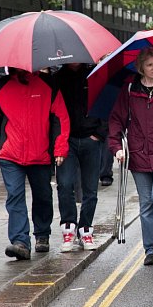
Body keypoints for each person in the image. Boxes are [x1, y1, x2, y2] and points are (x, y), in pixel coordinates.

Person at [0, 67, 70, 260]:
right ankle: (20, 242)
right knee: (15, 196)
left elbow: (60, 118)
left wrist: (60, 148)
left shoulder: (48, 84)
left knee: (43, 195)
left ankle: (42, 234)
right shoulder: (3, 84)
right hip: (10, 154)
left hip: (40, 153)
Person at [108, 47, 153, 268]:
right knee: (146, 202)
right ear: (141, 67)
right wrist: (116, 148)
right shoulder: (130, 88)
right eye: (150, 65)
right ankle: (151, 249)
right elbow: (116, 120)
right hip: (138, 153)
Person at [54, 63, 108, 252]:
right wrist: (58, 138)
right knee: (65, 185)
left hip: (90, 138)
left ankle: (86, 230)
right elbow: (53, 112)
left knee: (90, 189)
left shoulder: (95, 74)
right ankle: (68, 228)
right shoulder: (58, 78)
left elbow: (106, 105)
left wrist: (99, 133)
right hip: (66, 140)